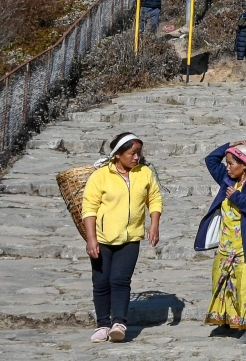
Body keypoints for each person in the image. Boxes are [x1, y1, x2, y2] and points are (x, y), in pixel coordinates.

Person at [82, 132, 163, 343]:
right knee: (101, 282)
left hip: (130, 238)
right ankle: (102, 325)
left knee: (120, 280)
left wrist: (154, 224)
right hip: (102, 238)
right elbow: (89, 208)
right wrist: (91, 238)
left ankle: (119, 323)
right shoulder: (100, 176)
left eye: (138, 153)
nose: (136, 157)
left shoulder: (144, 173)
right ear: (118, 154)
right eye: (132, 153)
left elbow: (154, 199)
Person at [194, 141, 246, 344]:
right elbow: (211, 160)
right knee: (223, 283)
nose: (227, 167)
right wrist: (230, 145)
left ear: (245, 165)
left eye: (231, 163)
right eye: (227, 163)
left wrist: (238, 198)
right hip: (226, 246)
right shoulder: (227, 179)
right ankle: (229, 323)